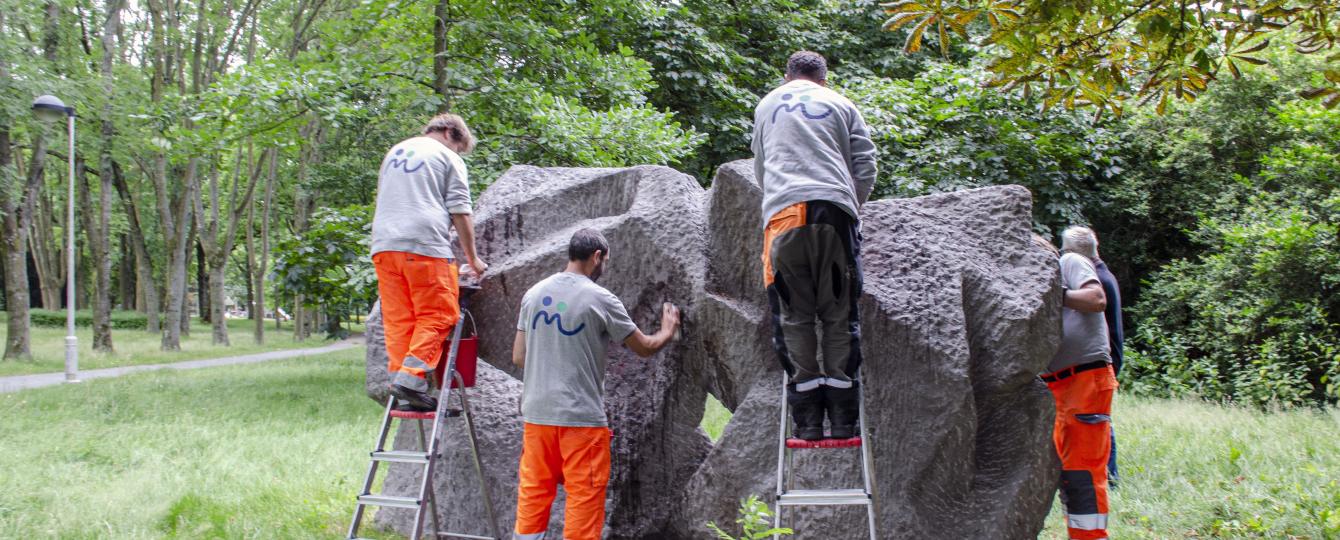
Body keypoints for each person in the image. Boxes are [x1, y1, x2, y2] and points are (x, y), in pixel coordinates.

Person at [510, 228, 681, 540]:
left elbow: (519, 356)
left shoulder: (533, 295)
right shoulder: (600, 299)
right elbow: (643, 347)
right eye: (605, 261)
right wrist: (667, 331)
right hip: (580, 420)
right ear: (597, 256)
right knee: (583, 501)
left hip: (536, 416)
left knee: (533, 496)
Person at [751, 50, 877, 440]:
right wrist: (850, 204)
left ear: (786, 76)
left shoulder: (767, 103)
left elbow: (761, 166)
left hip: (785, 218)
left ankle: (807, 421)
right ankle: (842, 419)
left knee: (793, 315)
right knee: (839, 312)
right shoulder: (841, 102)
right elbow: (866, 165)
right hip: (834, 216)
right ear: (823, 79)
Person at [370, 113, 488, 411]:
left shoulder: (396, 151)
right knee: (440, 314)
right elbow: (460, 211)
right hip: (423, 246)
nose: (459, 154)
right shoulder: (447, 157)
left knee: (400, 320)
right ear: (451, 133)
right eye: (460, 148)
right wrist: (473, 258)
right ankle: (411, 378)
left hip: (384, 247)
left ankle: (404, 383)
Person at [1044, 226, 1115, 540]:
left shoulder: (1069, 261)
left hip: (1084, 379)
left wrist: (1054, 296)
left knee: (1082, 471)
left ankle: (1089, 537)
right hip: (1056, 385)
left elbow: (1097, 298)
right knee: (1065, 471)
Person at [1091, 238, 1124, 487]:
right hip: (1109, 358)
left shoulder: (1099, 280)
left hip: (1104, 361)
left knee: (1100, 419)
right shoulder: (1103, 274)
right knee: (1100, 417)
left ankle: (1110, 476)